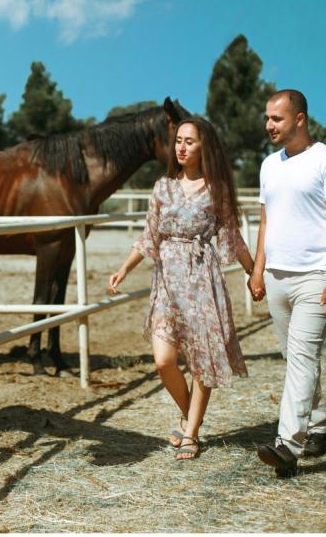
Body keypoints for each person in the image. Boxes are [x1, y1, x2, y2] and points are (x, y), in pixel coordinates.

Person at [108, 116, 256, 460]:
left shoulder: (217, 189)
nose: (182, 147)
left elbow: (232, 238)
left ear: (205, 146)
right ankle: (191, 416)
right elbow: (149, 236)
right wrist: (124, 269)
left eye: (190, 141)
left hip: (202, 278)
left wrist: (254, 273)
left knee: (203, 359)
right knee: (164, 361)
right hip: (167, 282)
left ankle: (191, 433)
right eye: (178, 141)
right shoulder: (162, 187)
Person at [249, 89, 326, 478]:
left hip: (315, 277)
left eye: (276, 118)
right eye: (267, 118)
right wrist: (258, 269)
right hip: (276, 276)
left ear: (300, 119)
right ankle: (319, 426)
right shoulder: (268, 165)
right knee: (295, 358)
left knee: (302, 357)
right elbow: (266, 222)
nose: (269, 125)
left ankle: (288, 446)